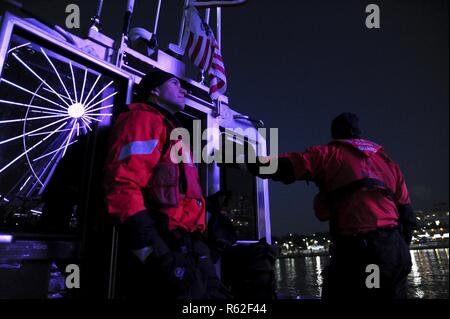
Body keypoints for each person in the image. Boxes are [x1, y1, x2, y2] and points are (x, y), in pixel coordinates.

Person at [240, 112, 416, 299]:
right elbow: (408, 217)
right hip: (396, 254)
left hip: (363, 254)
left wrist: (243, 161)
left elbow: (284, 165)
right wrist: (395, 249)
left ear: (335, 135)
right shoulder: (387, 161)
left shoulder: (329, 154)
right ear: (359, 134)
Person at [103, 69, 226, 299]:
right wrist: (151, 249)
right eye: (174, 83)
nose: (184, 89)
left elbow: (176, 192)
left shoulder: (174, 131)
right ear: (155, 90)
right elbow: (122, 183)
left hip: (187, 245)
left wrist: (211, 212)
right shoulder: (143, 120)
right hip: (167, 243)